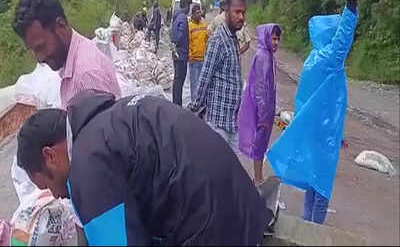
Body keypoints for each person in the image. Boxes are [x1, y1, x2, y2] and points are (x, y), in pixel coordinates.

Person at [17, 90, 271, 246]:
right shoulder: (110, 119)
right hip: (242, 206)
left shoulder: (87, 167)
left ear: (50, 156)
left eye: (47, 185)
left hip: (212, 228)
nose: (57, 195)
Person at [267, 0, 359, 224]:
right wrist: (352, 1)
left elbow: (322, 100)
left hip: (317, 132)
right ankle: (312, 235)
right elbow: (344, 39)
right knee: (321, 187)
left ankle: (307, 229)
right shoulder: (330, 58)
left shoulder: (313, 59)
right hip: (322, 135)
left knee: (313, 183)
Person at [12, 0, 121, 109]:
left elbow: (103, 127)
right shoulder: (73, 60)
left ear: (61, 26)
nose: (40, 58)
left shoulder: (86, 77)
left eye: (41, 47)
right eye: (33, 51)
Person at [190, 0, 246, 153]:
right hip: (218, 122)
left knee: (233, 171)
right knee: (216, 172)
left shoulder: (233, 39)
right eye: (237, 12)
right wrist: (194, 109)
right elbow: (205, 78)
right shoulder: (218, 40)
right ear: (227, 11)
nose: (241, 17)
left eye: (243, 12)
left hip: (232, 121)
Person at [238, 24, 281, 186]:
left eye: (277, 39)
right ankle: (257, 179)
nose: (276, 42)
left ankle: (258, 177)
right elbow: (261, 87)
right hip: (262, 111)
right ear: (266, 37)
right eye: (273, 38)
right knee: (259, 145)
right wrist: (264, 114)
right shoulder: (263, 57)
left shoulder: (268, 55)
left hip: (266, 109)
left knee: (261, 145)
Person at [171, 0, 192, 106]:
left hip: (176, 52)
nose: (189, 9)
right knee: (180, 80)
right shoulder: (183, 17)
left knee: (177, 80)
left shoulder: (176, 16)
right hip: (181, 53)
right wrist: (180, 45)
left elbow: (173, 34)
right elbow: (180, 35)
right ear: (186, 6)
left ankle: (176, 102)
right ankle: (177, 104)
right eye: (189, 6)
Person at [188, 4, 208, 102]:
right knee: (194, 84)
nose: (200, 14)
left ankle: (201, 103)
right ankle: (194, 103)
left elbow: (207, 39)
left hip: (203, 59)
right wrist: (190, 56)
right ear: (193, 14)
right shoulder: (190, 26)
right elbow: (188, 43)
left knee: (202, 84)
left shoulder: (204, 25)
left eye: (200, 12)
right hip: (194, 60)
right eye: (197, 13)